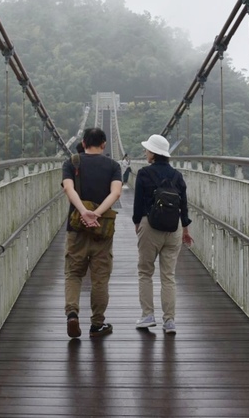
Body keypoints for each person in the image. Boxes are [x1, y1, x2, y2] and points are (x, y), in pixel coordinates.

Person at [62, 127, 123, 339]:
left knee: (74, 272)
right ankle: (97, 324)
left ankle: (72, 314)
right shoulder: (113, 166)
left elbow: (68, 190)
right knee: (100, 278)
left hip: (76, 227)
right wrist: (96, 214)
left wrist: (83, 213)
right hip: (102, 229)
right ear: (104, 144)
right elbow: (116, 193)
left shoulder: (72, 162)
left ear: (84, 143)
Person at [132, 133, 192, 335]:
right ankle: (170, 322)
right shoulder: (177, 176)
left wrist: (136, 223)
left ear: (154, 153)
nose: (145, 152)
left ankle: (148, 315)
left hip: (150, 227)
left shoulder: (144, 173)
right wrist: (185, 228)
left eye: (147, 149)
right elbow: (183, 204)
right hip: (173, 228)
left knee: (145, 272)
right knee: (168, 276)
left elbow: (138, 203)